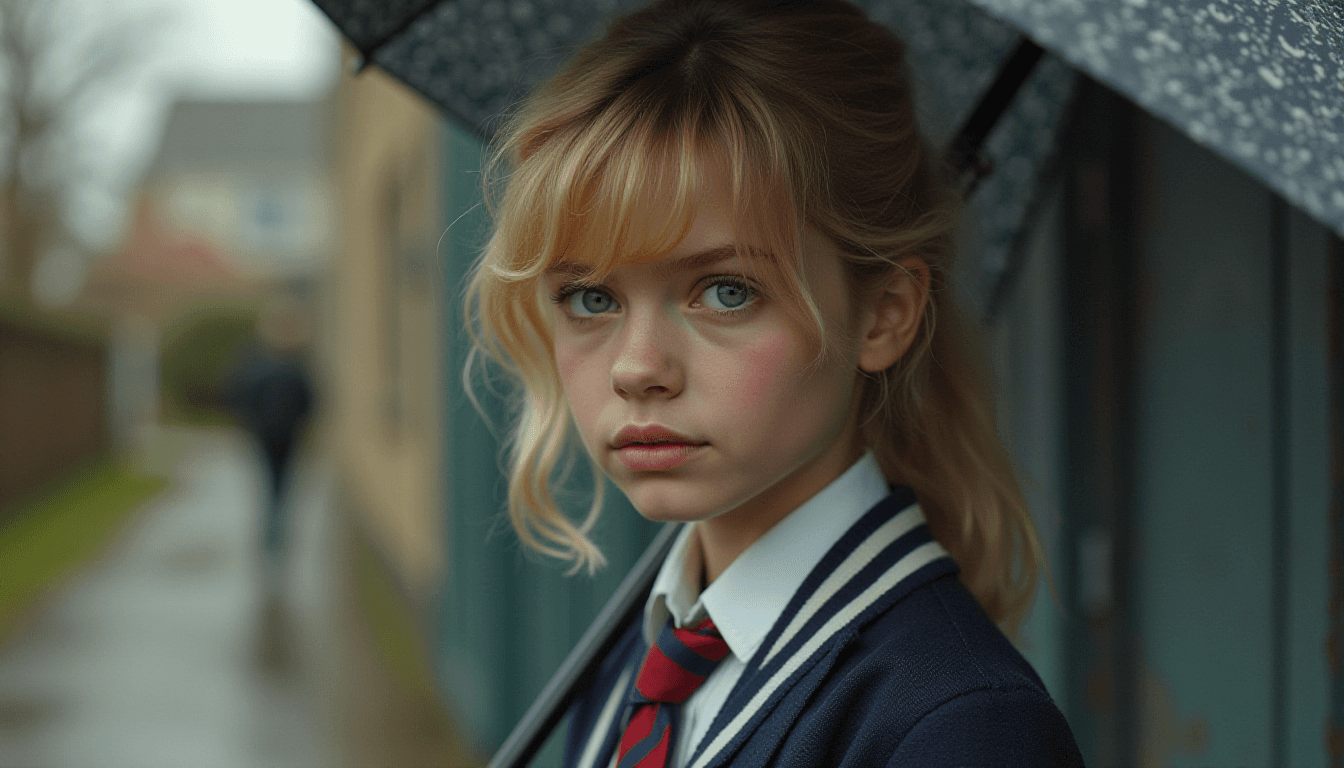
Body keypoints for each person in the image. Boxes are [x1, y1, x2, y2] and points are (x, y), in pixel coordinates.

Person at [462, 0, 1084, 765]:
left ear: (885, 314)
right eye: (591, 298)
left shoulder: (962, 730)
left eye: (726, 291)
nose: (636, 369)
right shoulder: (638, 656)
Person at [225, 295, 315, 588]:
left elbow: (310, 401)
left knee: (281, 486)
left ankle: (276, 538)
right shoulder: (260, 365)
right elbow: (241, 398)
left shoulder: (292, 365)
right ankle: (272, 538)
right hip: (266, 438)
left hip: (287, 438)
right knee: (272, 486)